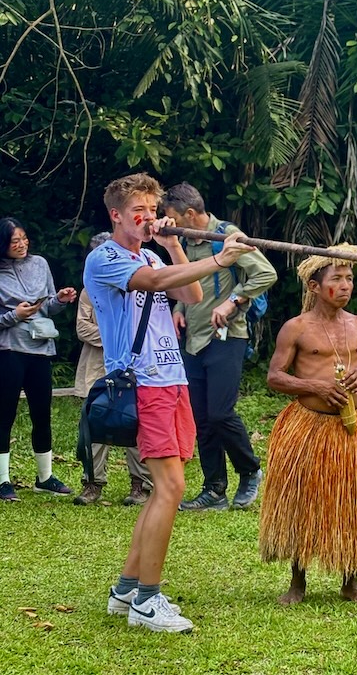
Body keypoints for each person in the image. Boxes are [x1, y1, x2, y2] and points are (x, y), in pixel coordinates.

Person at [84, 173, 253, 633]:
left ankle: (126, 591)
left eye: (152, 210)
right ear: (116, 215)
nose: (147, 217)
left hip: (171, 377)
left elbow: (190, 295)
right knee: (172, 489)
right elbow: (154, 281)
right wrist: (220, 258)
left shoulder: (155, 251)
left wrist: (178, 246)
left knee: (165, 489)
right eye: (138, 210)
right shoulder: (106, 258)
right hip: (143, 382)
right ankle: (147, 601)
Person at [258, 244, 357, 605]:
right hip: (308, 426)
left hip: (351, 427)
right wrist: (312, 385)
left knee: (352, 500)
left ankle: (351, 582)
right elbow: (274, 377)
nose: (345, 286)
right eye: (337, 279)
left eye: (349, 278)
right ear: (315, 287)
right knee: (304, 500)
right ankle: (297, 583)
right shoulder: (296, 328)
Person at [162, 182, 277, 511]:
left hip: (226, 337)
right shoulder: (182, 241)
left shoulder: (227, 235)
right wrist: (178, 310)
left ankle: (250, 469)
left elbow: (265, 274)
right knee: (201, 417)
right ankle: (214, 489)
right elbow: (187, 279)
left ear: (190, 214)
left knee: (220, 412)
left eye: (172, 218)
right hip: (193, 339)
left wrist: (233, 301)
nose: (168, 224)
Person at [0, 217, 77, 501]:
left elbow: (48, 307)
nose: (21, 245)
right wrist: (14, 316)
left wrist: (60, 298)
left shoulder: (40, 264)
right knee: (4, 416)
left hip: (40, 349)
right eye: (13, 241)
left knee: (42, 413)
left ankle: (44, 477)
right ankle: (3, 480)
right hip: (8, 350)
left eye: (23, 238)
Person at [73, 232, 153, 507]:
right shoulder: (89, 290)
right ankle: (92, 483)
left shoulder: (143, 288)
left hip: (136, 368)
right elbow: (83, 328)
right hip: (99, 367)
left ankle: (140, 484)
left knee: (134, 422)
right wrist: (116, 338)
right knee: (95, 424)